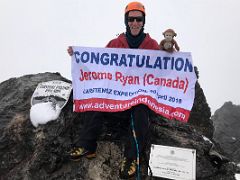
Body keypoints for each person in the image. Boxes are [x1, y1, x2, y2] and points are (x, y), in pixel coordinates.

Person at [67, 1, 159, 179]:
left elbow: (164, 65)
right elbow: (100, 65)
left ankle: (131, 159)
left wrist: (169, 50)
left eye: (138, 19)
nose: (135, 23)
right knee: (94, 99)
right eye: (131, 19)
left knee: (141, 114)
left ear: (143, 21)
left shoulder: (152, 45)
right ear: (126, 21)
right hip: (117, 99)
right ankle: (88, 145)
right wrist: (78, 55)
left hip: (138, 100)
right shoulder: (115, 43)